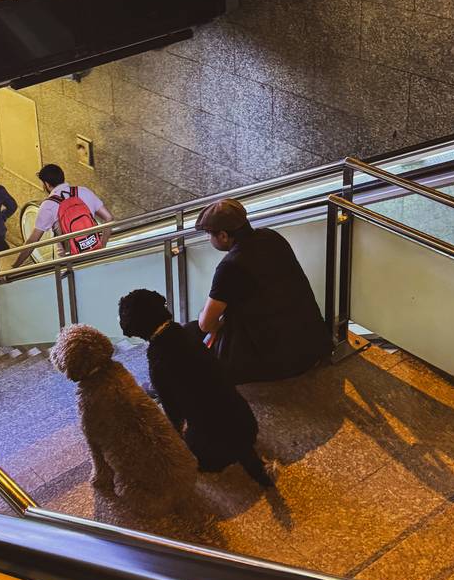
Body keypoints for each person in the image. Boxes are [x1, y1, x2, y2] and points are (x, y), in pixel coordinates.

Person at [118, 288, 274, 487]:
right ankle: (254, 465)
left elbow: (174, 415)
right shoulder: (189, 335)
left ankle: (241, 461)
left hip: (215, 450)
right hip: (247, 426)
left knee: (187, 447)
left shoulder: (159, 362)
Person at [50, 322, 197, 515]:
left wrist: (102, 477)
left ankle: (103, 476)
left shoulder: (92, 401)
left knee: (99, 445)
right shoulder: (122, 375)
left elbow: (95, 444)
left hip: (153, 498)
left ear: (70, 361)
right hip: (187, 472)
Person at [195, 198, 330, 385]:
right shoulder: (272, 237)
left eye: (209, 234)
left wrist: (209, 317)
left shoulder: (231, 266)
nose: (208, 239)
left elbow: (205, 324)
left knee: (192, 335)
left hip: (280, 361)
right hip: (312, 345)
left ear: (224, 236)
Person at [14, 163, 112, 266]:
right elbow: (109, 218)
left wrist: (16, 266)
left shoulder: (48, 206)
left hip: (69, 262)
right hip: (94, 253)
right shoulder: (84, 191)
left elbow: (33, 240)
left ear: (47, 184)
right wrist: (102, 245)